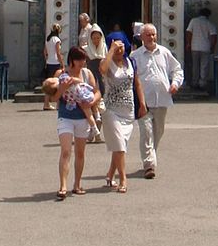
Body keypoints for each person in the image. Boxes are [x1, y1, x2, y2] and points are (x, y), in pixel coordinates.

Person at [130, 23, 184, 179]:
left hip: (162, 99)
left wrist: (175, 83)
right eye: (148, 35)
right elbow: (130, 77)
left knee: (158, 132)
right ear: (141, 37)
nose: (151, 37)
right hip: (143, 102)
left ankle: (151, 157)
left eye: (153, 34)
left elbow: (177, 69)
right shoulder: (135, 56)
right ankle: (149, 165)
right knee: (146, 133)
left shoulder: (164, 52)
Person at [47, 46, 99, 199]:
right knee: (65, 151)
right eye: (79, 59)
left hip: (82, 117)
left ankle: (77, 184)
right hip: (66, 116)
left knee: (80, 152)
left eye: (84, 59)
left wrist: (91, 103)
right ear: (72, 60)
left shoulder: (87, 73)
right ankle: (63, 185)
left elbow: (97, 92)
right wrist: (62, 89)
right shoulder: (61, 74)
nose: (82, 62)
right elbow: (53, 98)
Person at [100, 39, 147, 192]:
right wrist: (111, 51)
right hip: (111, 109)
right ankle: (123, 179)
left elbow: (137, 83)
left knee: (120, 145)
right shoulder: (107, 61)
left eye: (121, 47)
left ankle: (109, 174)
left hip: (128, 110)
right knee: (120, 144)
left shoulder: (130, 62)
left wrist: (142, 103)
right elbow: (102, 69)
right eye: (116, 47)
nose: (119, 51)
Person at [186, 6, 217, 90]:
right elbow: (214, 36)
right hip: (206, 47)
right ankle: (202, 83)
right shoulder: (209, 23)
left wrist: (188, 43)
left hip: (194, 47)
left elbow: (188, 32)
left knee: (195, 66)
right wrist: (212, 47)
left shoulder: (193, 21)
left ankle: (194, 82)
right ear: (208, 15)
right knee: (204, 66)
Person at [42, 23, 64, 109]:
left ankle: (46, 103)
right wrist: (62, 64)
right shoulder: (57, 40)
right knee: (58, 83)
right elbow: (58, 53)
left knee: (49, 84)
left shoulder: (48, 39)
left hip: (49, 63)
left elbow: (45, 52)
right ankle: (58, 104)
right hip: (55, 63)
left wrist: (47, 60)